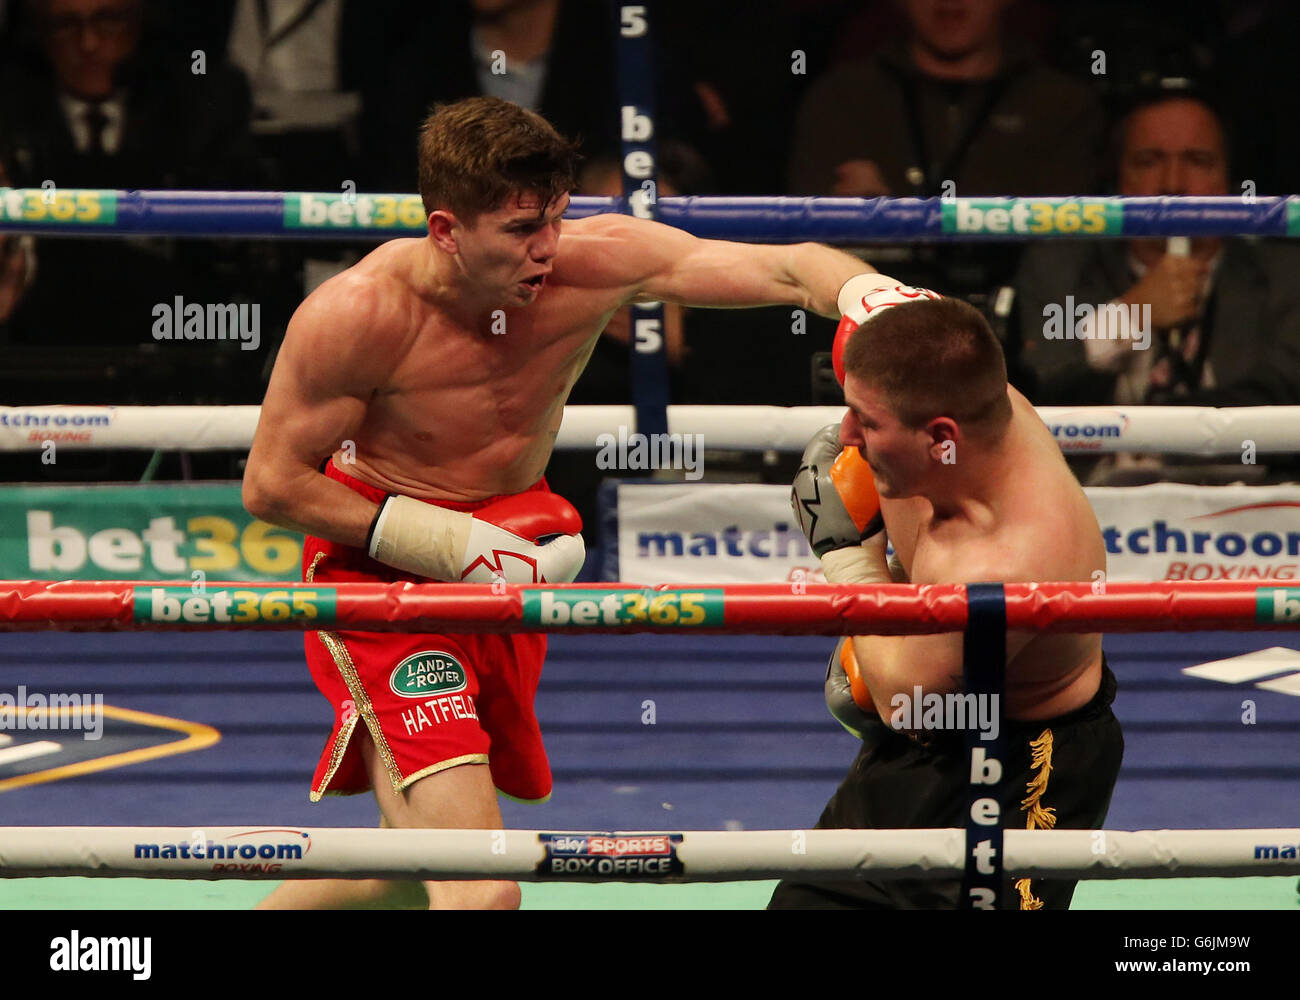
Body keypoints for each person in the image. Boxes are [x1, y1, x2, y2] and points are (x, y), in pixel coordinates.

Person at [241, 96, 879, 910]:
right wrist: (445, 544)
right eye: (517, 232)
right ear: (445, 231)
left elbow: (790, 270)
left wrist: (877, 298)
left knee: (408, 867)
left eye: (554, 219)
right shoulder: (358, 314)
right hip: (382, 590)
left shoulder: (589, 263)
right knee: (483, 892)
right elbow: (271, 483)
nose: (545, 250)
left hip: (508, 566)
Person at [769, 283, 1124, 909]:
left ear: (939, 435)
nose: (844, 434)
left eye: (867, 421)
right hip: (923, 745)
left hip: (1019, 767)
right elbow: (811, 271)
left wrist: (848, 557)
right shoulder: (958, 395)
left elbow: (904, 702)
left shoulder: (1010, 557)